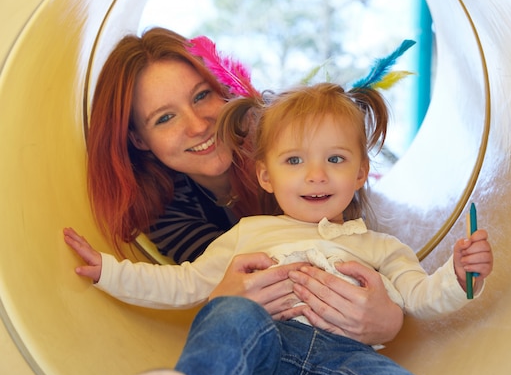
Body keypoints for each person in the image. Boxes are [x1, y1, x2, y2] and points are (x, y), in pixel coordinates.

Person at [65, 81, 494, 375]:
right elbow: (182, 283)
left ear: (362, 172)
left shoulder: (382, 247)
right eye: (294, 160)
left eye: (336, 159)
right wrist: (109, 271)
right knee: (231, 312)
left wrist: (458, 274)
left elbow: (420, 296)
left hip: (343, 365)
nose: (316, 174)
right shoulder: (249, 233)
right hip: (261, 355)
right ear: (265, 176)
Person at [83, 26, 406, 344]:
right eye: (165, 118)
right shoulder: (165, 209)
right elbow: (208, 281)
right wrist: (220, 305)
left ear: (224, 90)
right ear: (139, 140)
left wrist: (390, 320)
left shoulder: (294, 150)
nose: (197, 125)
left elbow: (370, 258)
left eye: (201, 96)